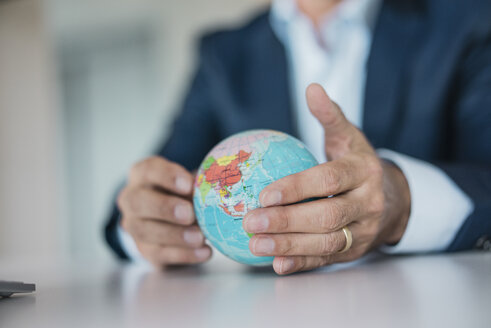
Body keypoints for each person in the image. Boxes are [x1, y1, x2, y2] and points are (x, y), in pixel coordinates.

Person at [105, 0, 491, 275]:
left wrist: (402, 200)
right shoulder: (223, 55)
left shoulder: (468, 18)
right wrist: (145, 223)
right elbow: (150, 188)